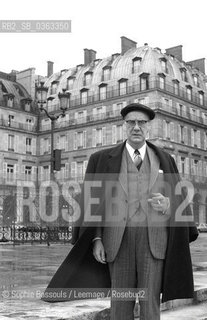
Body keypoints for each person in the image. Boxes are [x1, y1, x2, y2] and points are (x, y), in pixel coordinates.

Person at [43, 103, 198, 320]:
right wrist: (96, 238)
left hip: (154, 242)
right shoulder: (101, 159)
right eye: (131, 122)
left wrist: (168, 206)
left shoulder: (166, 159)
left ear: (149, 128)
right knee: (120, 303)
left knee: (150, 303)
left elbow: (179, 201)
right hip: (117, 241)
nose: (136, 127)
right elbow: (91, 203)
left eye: (142, 123)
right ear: (123, 126)